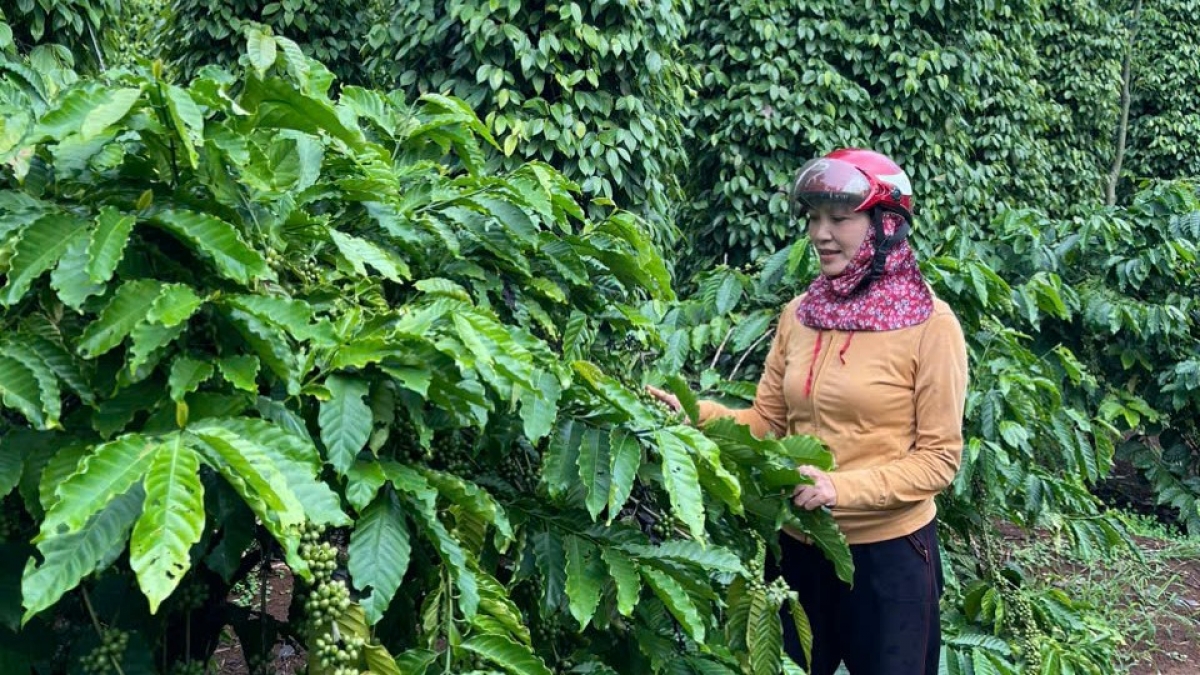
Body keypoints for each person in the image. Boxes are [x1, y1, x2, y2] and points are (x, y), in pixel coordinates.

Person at [648, 148, 968, 675]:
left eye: (840, 219)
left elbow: (938, 461)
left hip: (888, 556)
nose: (821, 233)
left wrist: (841, 488)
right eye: (814, 218)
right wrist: (695, 415)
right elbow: (767, 421)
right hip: (800, 545)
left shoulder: (931, 325)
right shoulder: (800, 314)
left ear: (885, 226)